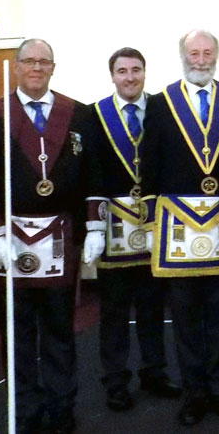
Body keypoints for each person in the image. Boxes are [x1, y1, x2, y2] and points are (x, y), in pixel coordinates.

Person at [0, 38, 104, 434]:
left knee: (58, 330)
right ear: (16, 67)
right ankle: (25, 409)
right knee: (17, 333)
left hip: (59, 237)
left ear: (53, 68)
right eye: (29, 61)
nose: (36, 68)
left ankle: (61, 406)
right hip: (11, 240)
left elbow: (93, 176)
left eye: (44, 62)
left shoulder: (80, 115)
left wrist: (95, 226)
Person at [139, 29, 219, 427]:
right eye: (194, 53)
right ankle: (193, 392)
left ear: (217, 55)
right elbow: (147, 165)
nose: (201, 59)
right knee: (184, 315)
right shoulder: (160, 102)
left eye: (207, 53)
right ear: (182, 56)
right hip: (177, 229)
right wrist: (151, 221)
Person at [83, 47, 181, 412]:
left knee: (154, 306)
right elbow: (91, 169)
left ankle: (154, 371)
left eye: (136, 70)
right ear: (112, 76)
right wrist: (93, 224)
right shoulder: (94, 115)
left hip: (154, 224)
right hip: (112, 226)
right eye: (122, 71)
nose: (129, 77)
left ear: (145, 73)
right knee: (113, 310)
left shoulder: (162, 109)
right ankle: (115, 380)